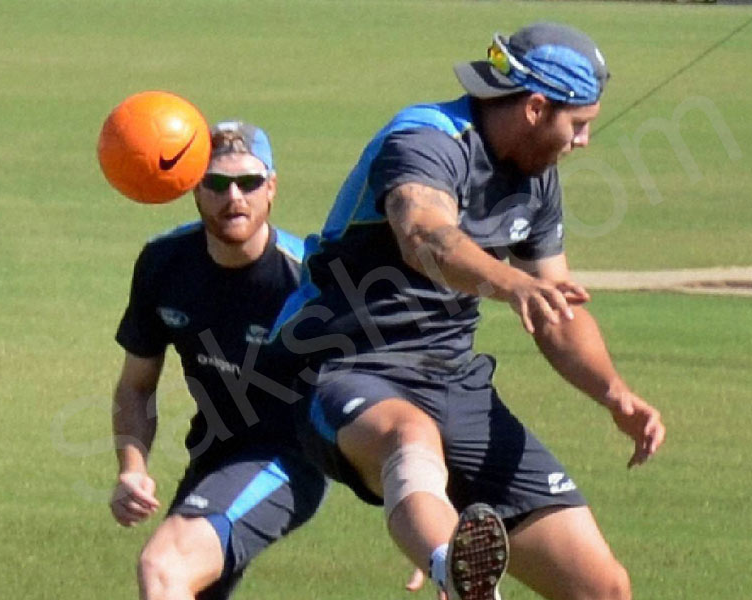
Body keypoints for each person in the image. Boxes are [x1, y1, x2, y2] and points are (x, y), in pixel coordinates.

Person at [273, 22, 666, 600]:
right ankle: (457, 574)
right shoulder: (426, 141)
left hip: (455, 381)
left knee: (602, 588)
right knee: (410, 434)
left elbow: (555, 300)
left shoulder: (537, 178)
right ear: (536, 107)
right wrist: (510, 283)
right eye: (578, 124)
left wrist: (614, 393)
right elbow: (425, 237)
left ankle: (461, 569)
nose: (583, 142)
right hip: (343, 364)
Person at [109, 119, 327, 600]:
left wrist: (427, 521)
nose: (234, 197)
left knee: (163, 567)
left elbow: (388, 389)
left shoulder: (306, 281)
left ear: (271, 188)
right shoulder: (163, 263)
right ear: (193, 188)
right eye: (216, 182)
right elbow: (136, 385)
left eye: (249, 182)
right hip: (213, 458)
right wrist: (132, 467)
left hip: (289, 458)